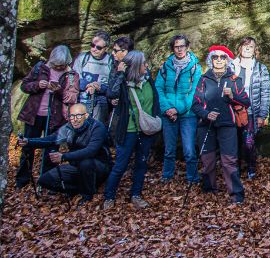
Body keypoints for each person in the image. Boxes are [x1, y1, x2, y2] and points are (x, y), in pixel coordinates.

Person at [18, 103, 112, 203]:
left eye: (78, 115)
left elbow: (90, 151)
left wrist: (64, 157)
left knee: (86, 163)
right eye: (72, 116)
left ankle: (87, 195)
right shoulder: (68, 128)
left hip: (99, 166)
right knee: (44, 180)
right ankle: (78, 189)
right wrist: (29, 141)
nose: (75, 119)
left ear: (86, 115)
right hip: (76, 166)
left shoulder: (97, 127)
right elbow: (51, 139)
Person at [15, 45, 80, 189]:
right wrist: (38, 85)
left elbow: (72, 97)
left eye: (61, 65)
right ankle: (22, 180)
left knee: (51, 149)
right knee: (27, 146)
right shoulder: (40, 67)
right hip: (34, 115)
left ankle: (47, 181)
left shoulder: (71, 75)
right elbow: (24, 86)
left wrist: (59, 91)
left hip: (55, 118)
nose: (58, 68)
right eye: (56, 65)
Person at [192, 45, 250, 204]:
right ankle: (209, 190)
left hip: (227, 124)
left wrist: (232, 96)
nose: (218, 60)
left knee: (229, 160)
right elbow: (195, 104)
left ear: (227, 60)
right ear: (210, 60)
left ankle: (236, 195)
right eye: (215, 57)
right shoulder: (203, 79)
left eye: (222, 57)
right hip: (206, 125)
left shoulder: (234, 80)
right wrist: (206, 114)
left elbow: (246, 101)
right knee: (207, 160)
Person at [103, 50, 160, 210]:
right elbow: (111, 93)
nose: (146, 66)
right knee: (120, 165)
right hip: (128, 130)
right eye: (143, 64)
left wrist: (156, 116)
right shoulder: (123, 84)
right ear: (135, 66)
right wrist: (120, 74)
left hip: (146, 130)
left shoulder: (148, 79)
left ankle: (136, 194)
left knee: (141, 163)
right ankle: (109, 196)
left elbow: (155, 99)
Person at [154, 34, 202, 184]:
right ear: (173, 48)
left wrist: (178, 109)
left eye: (182, 46)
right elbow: (159, 88)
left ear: (187, 47)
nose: (180, 49)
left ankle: (192, 177)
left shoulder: (195, 67)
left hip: (187, 114)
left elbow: (194, 92)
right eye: (176, 46)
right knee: (169, 149)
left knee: (189, 149)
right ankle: (167, 175)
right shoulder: (166, 67)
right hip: (168, 114)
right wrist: (168, 108)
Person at [232, 37, 270, 179]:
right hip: (232, 111)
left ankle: (251, 167)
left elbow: (265, 93)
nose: (247, 49)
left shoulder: (261, 69)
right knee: (233, 141)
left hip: (250, 112)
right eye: (245, 46)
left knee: (248, 142)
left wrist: (262, 114)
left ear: (255, 50)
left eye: (251, 46)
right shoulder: (231, 66)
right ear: (240, 48)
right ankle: (234, 168)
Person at [72, 30, 113, 124]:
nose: (94, 49)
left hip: (101, 103)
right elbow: (74, 79)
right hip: (82, 100)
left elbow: (113, 85)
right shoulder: (82, 58)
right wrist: (88, 85)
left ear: (106, 48)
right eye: (92, 45)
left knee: (97, 129)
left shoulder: (111, 61)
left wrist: (100, 87)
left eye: (98, 47)